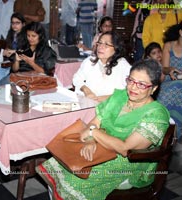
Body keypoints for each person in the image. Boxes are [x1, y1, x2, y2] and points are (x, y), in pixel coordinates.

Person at [37, 59, 170, 200]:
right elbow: (93, 123)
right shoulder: (119, 97)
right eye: (131, 80)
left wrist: (94, 133)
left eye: (142, 84)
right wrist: (90, 140)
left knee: (77, 180)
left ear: (153, 88)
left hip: (130, 164)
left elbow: (126, 149)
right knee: (60, 162)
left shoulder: (156, 114)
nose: (133, 87)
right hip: (103, 147)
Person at [73, 31, 131, 102]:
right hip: (90, 102)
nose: (100, 47)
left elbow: (129, 90)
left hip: (112, 105)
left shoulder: (123, 65)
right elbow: (77, 78)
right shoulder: (90, 60)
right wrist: (86, 90)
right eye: (99, 43)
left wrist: (103, 99)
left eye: (106, 44)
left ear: (116, 48)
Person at [157, 22, 182, 140]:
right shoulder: (168, 45)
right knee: (172, 88)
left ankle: (176, 132)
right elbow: (164, 68)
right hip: (169, 81)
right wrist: (171, 69)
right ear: (181, 33)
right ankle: (163, 130)